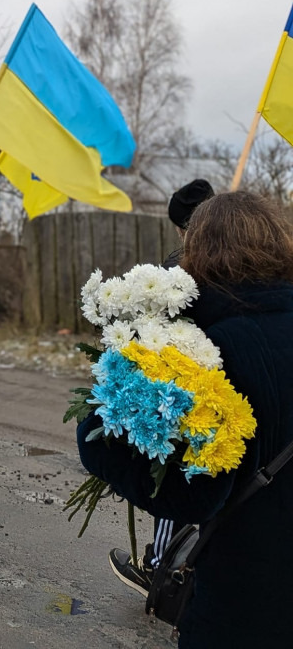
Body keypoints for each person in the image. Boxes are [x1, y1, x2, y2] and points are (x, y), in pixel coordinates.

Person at [78, 191, 293, 648]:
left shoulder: (211, 351)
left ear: (201, 256)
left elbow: (195, 494)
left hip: (248, 599)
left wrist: (97, 435)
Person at [109, 177, 215, 595]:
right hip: (224, 382)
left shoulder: (178, 270)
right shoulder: (241, 264)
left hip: (183, 384)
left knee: (174, 474)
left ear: (179, 227)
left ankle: (159, 568)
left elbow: (154, 330)